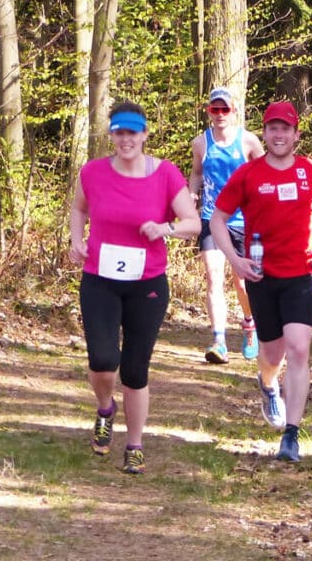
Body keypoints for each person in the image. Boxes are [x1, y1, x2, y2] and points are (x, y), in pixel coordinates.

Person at [68, 100, 200, 474]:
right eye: (119, 132)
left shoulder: (166, 175)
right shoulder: (92, 173)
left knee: (136, 369)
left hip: (147, 284)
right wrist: (77, 241)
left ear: (144, 135)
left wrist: (165, 229)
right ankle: (105, 409)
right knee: (104, 361)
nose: (126, 139)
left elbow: (193, 223)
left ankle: (135, 444)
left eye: (132, 133)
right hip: (100, 280)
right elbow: (79, 208)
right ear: (111, 135)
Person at [210, 101, 312, 463]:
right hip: (261, 276)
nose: (279, 134)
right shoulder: (248, 174)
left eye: (285, 128)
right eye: (273, 128)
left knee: (299, 348)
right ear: (265, 134)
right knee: (272, 354)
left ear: (296, 134)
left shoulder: (311, 171)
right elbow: (218, 219)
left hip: (300, 274)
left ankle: (291, 436)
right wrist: (235, 260)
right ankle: (268, 383)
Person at [189, 87, 265, 364]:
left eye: (224, 109)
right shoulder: (200, 143)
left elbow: (265, 170)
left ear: (234, 111)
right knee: (213, 277)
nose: (220, 114)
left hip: (243, 221)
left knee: (242, 282)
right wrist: (191, 194)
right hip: (212, 218)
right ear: (209, 112)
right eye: (214, 110)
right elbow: (196, 173)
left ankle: (249, 325)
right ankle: (219, 341)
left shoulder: (249, 141)